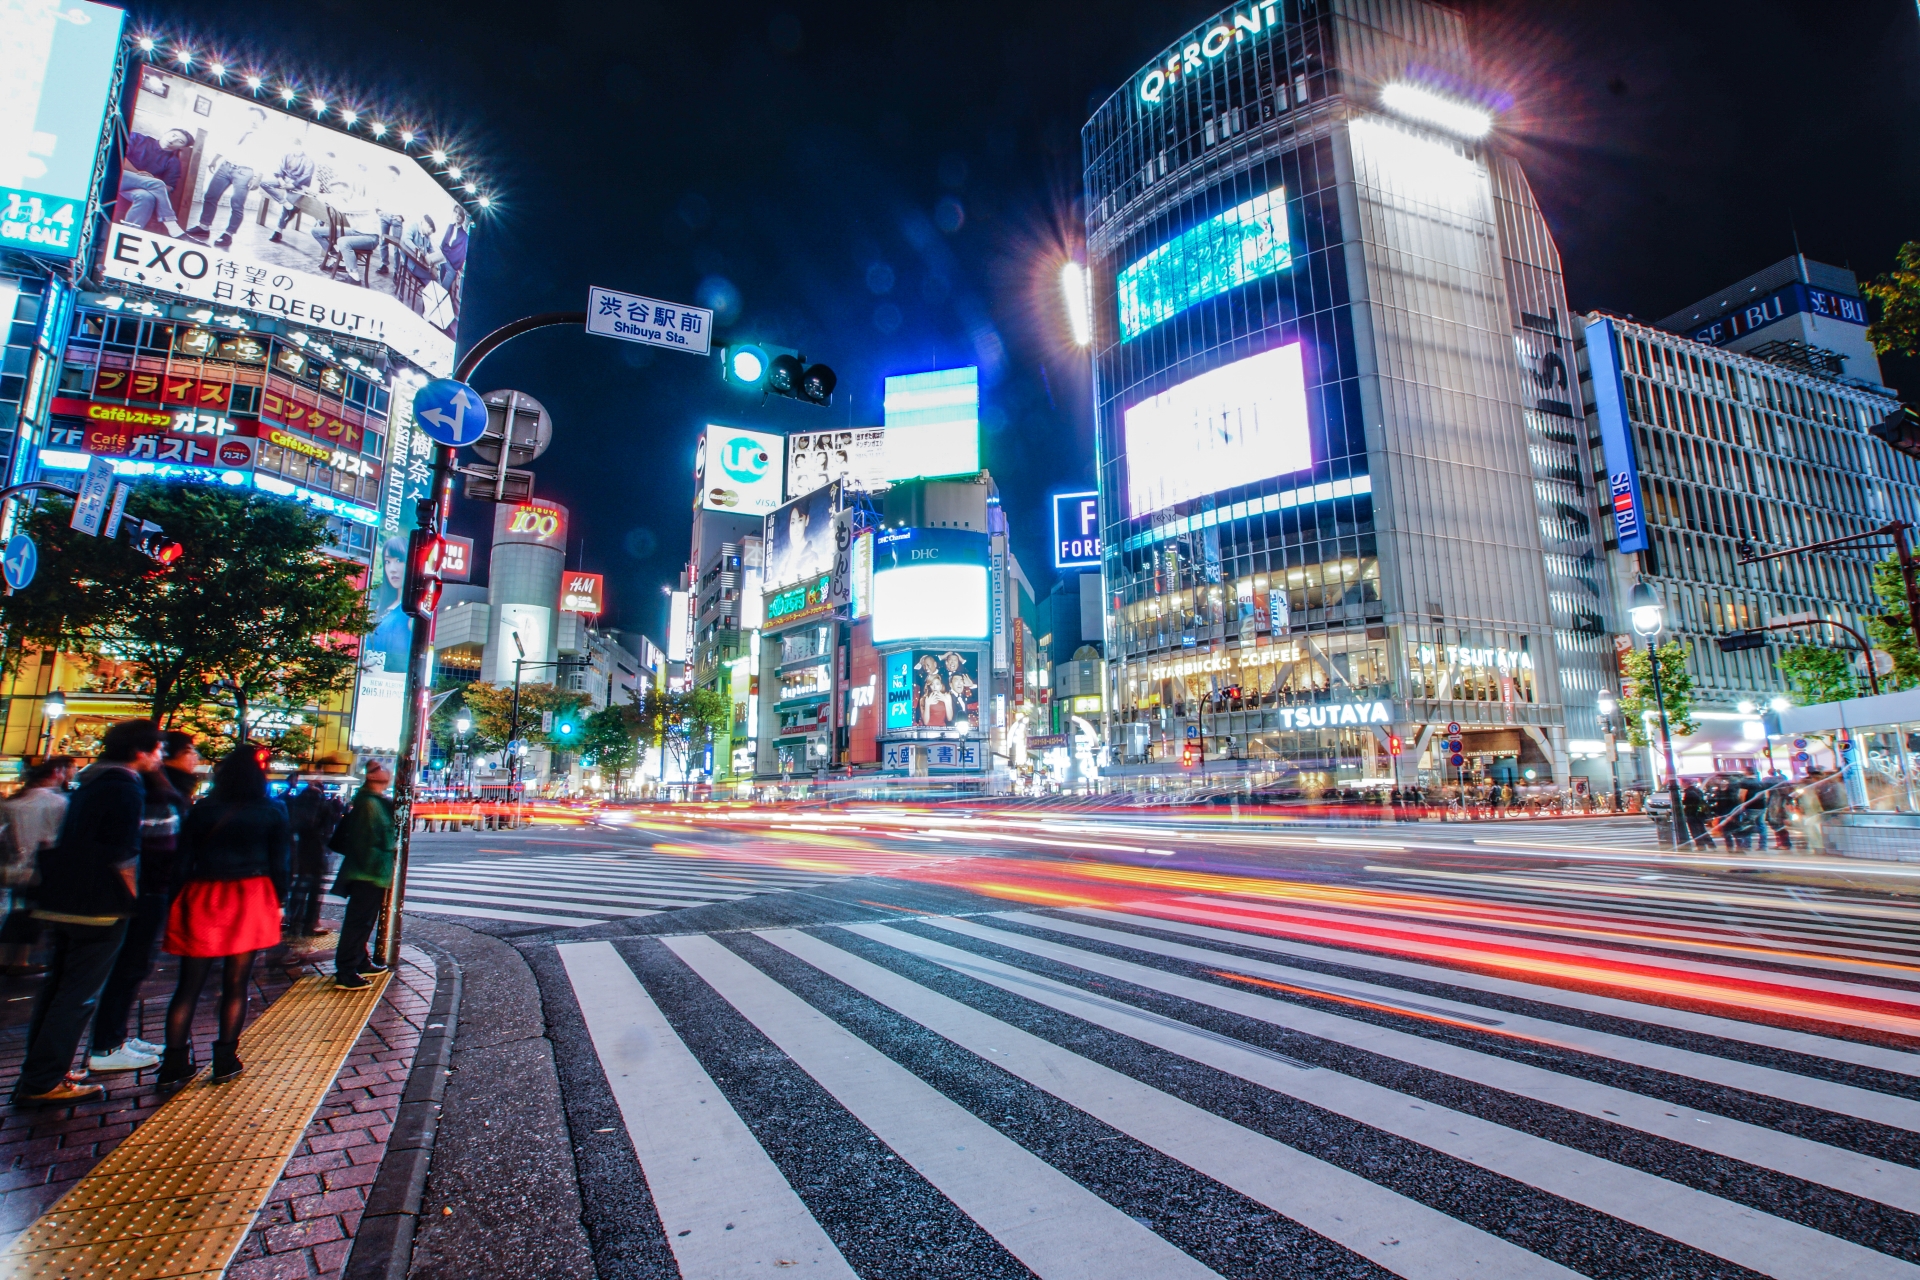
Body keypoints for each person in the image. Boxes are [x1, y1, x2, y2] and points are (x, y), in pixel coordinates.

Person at [11, 722, 161, 1106]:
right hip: (100, 904)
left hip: (64, 898)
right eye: (156, 749)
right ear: (140, 751)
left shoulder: (89, 782)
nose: (159, 756)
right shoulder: (126, 787)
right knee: (78, 994)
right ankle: (43, 1080)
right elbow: (123, 853)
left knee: (58, 986)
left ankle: (43, 1070)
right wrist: (132, 897)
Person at [158, 749, 291, 1086]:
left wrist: (176, 899)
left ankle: (174, 1061)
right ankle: (225, 1058)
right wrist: (280, 900)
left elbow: (182, 861)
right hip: (250, 894)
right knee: (236, 982)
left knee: (188, 985)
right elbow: (281, 863)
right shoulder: (273, 809)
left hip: (202, 892)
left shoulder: (202, 809)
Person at [87, 764, 186, 1072]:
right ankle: (107, 1045)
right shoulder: (149, 794)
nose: (195, 756)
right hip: (146, 892)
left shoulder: (127, 788)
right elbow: (159, 848)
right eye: (189, 751)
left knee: (129, 969)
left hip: (141, 892)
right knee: (129, 968)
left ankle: (116, 1038)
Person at [0, 757, 73, 975]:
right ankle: (20, 959)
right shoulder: (58, 802)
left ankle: (5, 957)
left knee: (13, 909)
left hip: (11, 864)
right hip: (38, 865)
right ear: (56, 773)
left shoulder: (15, 801)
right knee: (30, 912)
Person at [330, 762, 395, 990]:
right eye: (380, 767)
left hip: (372, 872)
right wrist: (376, 866)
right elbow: (365, 841)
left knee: (364, 920)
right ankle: (346, 970)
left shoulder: (374, 801)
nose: (387, 770)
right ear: (370, 775)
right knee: (358, 922)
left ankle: (359, 959)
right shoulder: (368, 804)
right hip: (367, 872)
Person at [181, 106, 279, 249]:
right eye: (251, 117)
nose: (253, 121)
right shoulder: (237, 130)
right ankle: (204, 227)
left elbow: (265, 160)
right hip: (226, 166)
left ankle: (228, 234)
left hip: (245, 172)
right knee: (210, 196)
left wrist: (258, 178)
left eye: (257, 118)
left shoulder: (264, 139)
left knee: (237, 204)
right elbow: (226, 146)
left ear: (262, 121)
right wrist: (215, 159)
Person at [284, 781, 342, 939]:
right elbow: (327, 822)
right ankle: (308, 924)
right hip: (315, 848)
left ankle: (294, 922)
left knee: (301, 885)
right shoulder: (318, 800)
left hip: (301, 847)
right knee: (314, 887)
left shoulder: (298, 801)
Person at [116, 129, 194, 237]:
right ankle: (172, 226)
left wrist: (151, 183)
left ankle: (129, 234)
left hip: (133, 188)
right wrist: (138, 173)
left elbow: (169, 187)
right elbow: (117, 157)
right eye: (173, 135)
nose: (172, 140)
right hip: (116, 176)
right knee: (157, 184)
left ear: (182, 147)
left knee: (146, 197)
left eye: (179, 141)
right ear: (165, 132)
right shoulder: (138, 138)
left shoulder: (173, 161)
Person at [161, 732, 201, 810]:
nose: (195, 757)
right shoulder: (161, 790)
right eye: (187, 752)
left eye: (194, 752)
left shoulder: (185, 785)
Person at [1681, 780, 1714, 848]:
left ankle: (1700, 845)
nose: (1682, 785)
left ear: (1686, 783)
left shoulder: (1689, 791)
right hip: (1700, 813)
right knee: (1702, 829)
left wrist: (1684, 802)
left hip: (1692, 813)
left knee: (1695, 830)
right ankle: (1710, 844)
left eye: (1682, 783)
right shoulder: (1698, 790)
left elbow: (1689, 802)